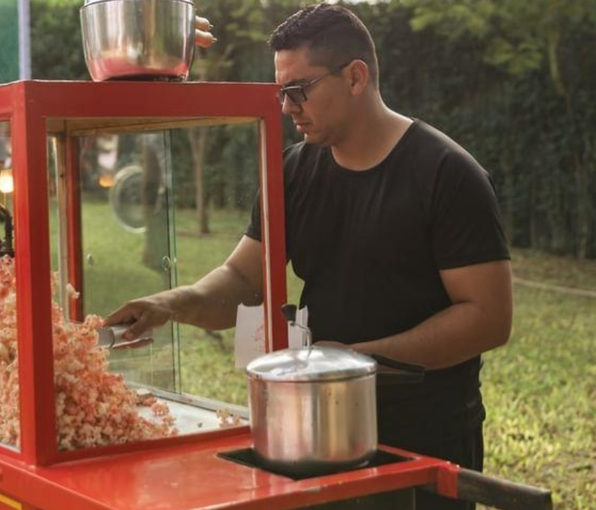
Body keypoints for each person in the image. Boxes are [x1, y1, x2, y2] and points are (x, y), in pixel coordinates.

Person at [106, 4, 512, 509]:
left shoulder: (448, 175)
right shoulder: (293, 172)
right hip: (316, 431)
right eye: (280, 92)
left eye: (298, 90)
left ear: (356, 77)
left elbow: (488, 318)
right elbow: (242, 278)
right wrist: (172, 304)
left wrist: (353, 362)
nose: (286, 106)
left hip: (422, 439)